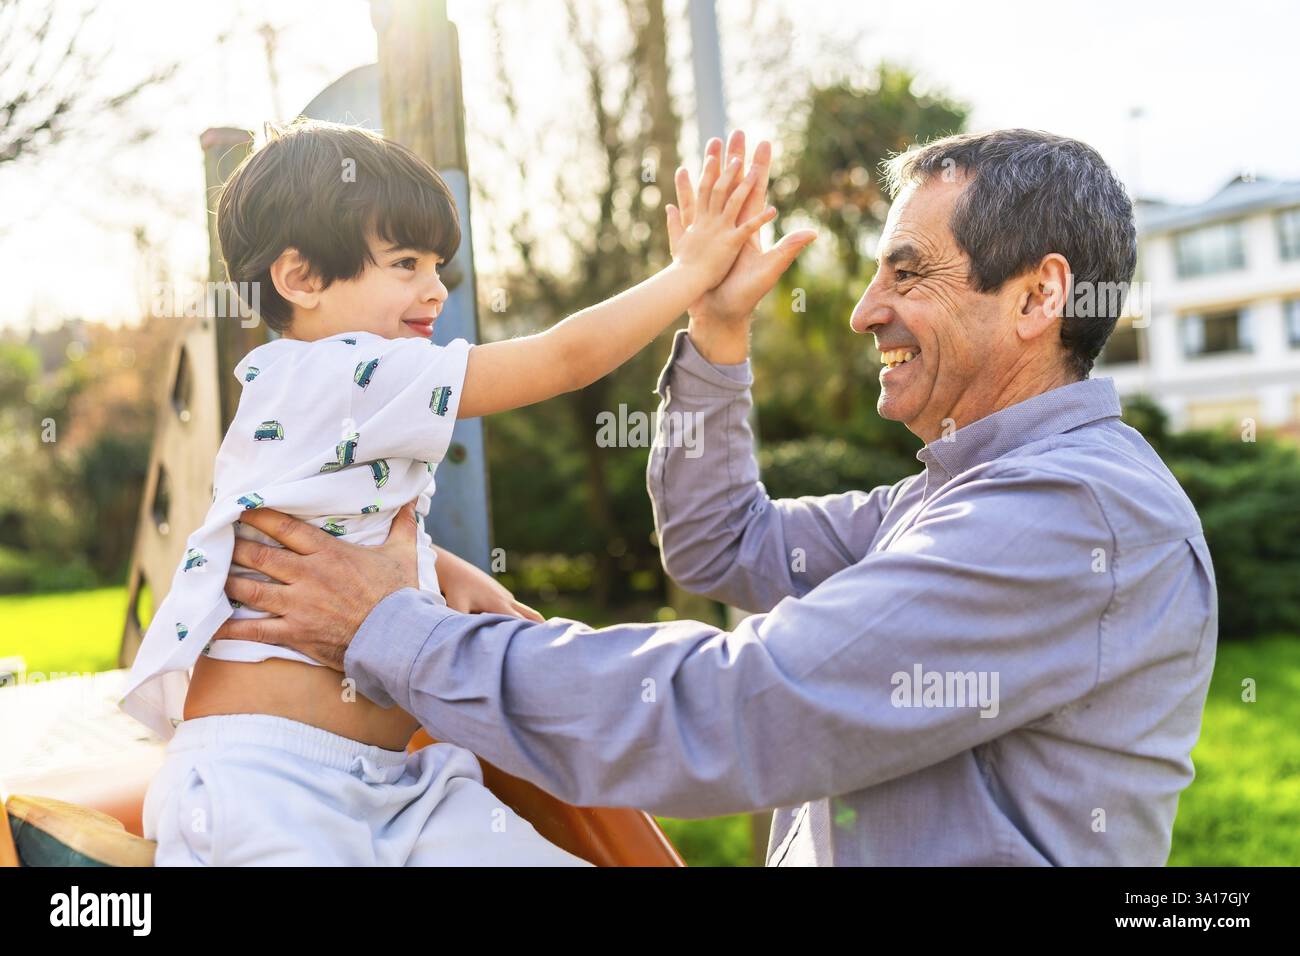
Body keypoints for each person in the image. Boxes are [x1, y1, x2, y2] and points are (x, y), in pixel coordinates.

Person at [213, 129, 1217, 866]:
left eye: (907, 275)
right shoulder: (953, 497)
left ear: (1039, 298)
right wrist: (715, 332)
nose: (867, 311)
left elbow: (746, 708)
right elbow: (720, 544)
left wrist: (392, 629)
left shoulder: (1066, 516)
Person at [119, 116, 775, 866]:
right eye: (404, 263)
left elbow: (348, 522)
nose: (435, 290)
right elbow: (567, 358)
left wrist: (443, 571)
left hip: (399, 784)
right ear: (301, 279)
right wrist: (690, 275)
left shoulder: (316, 397)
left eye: (437, 266)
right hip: (267, 784)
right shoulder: (347, 371)